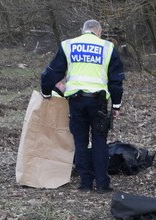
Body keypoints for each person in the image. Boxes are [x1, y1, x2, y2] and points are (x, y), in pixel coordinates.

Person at [41, 20, 125, 193]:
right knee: (99, 141)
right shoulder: (107, 48)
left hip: (76, 102)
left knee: (80, 141)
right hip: (98, 102)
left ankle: (85, 184)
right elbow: (116, 80)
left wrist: (46, 92)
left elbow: (52, 71)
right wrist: (116, 105)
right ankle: (102, 184)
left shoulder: (68, 45)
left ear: (83, 30)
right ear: (99, 31)